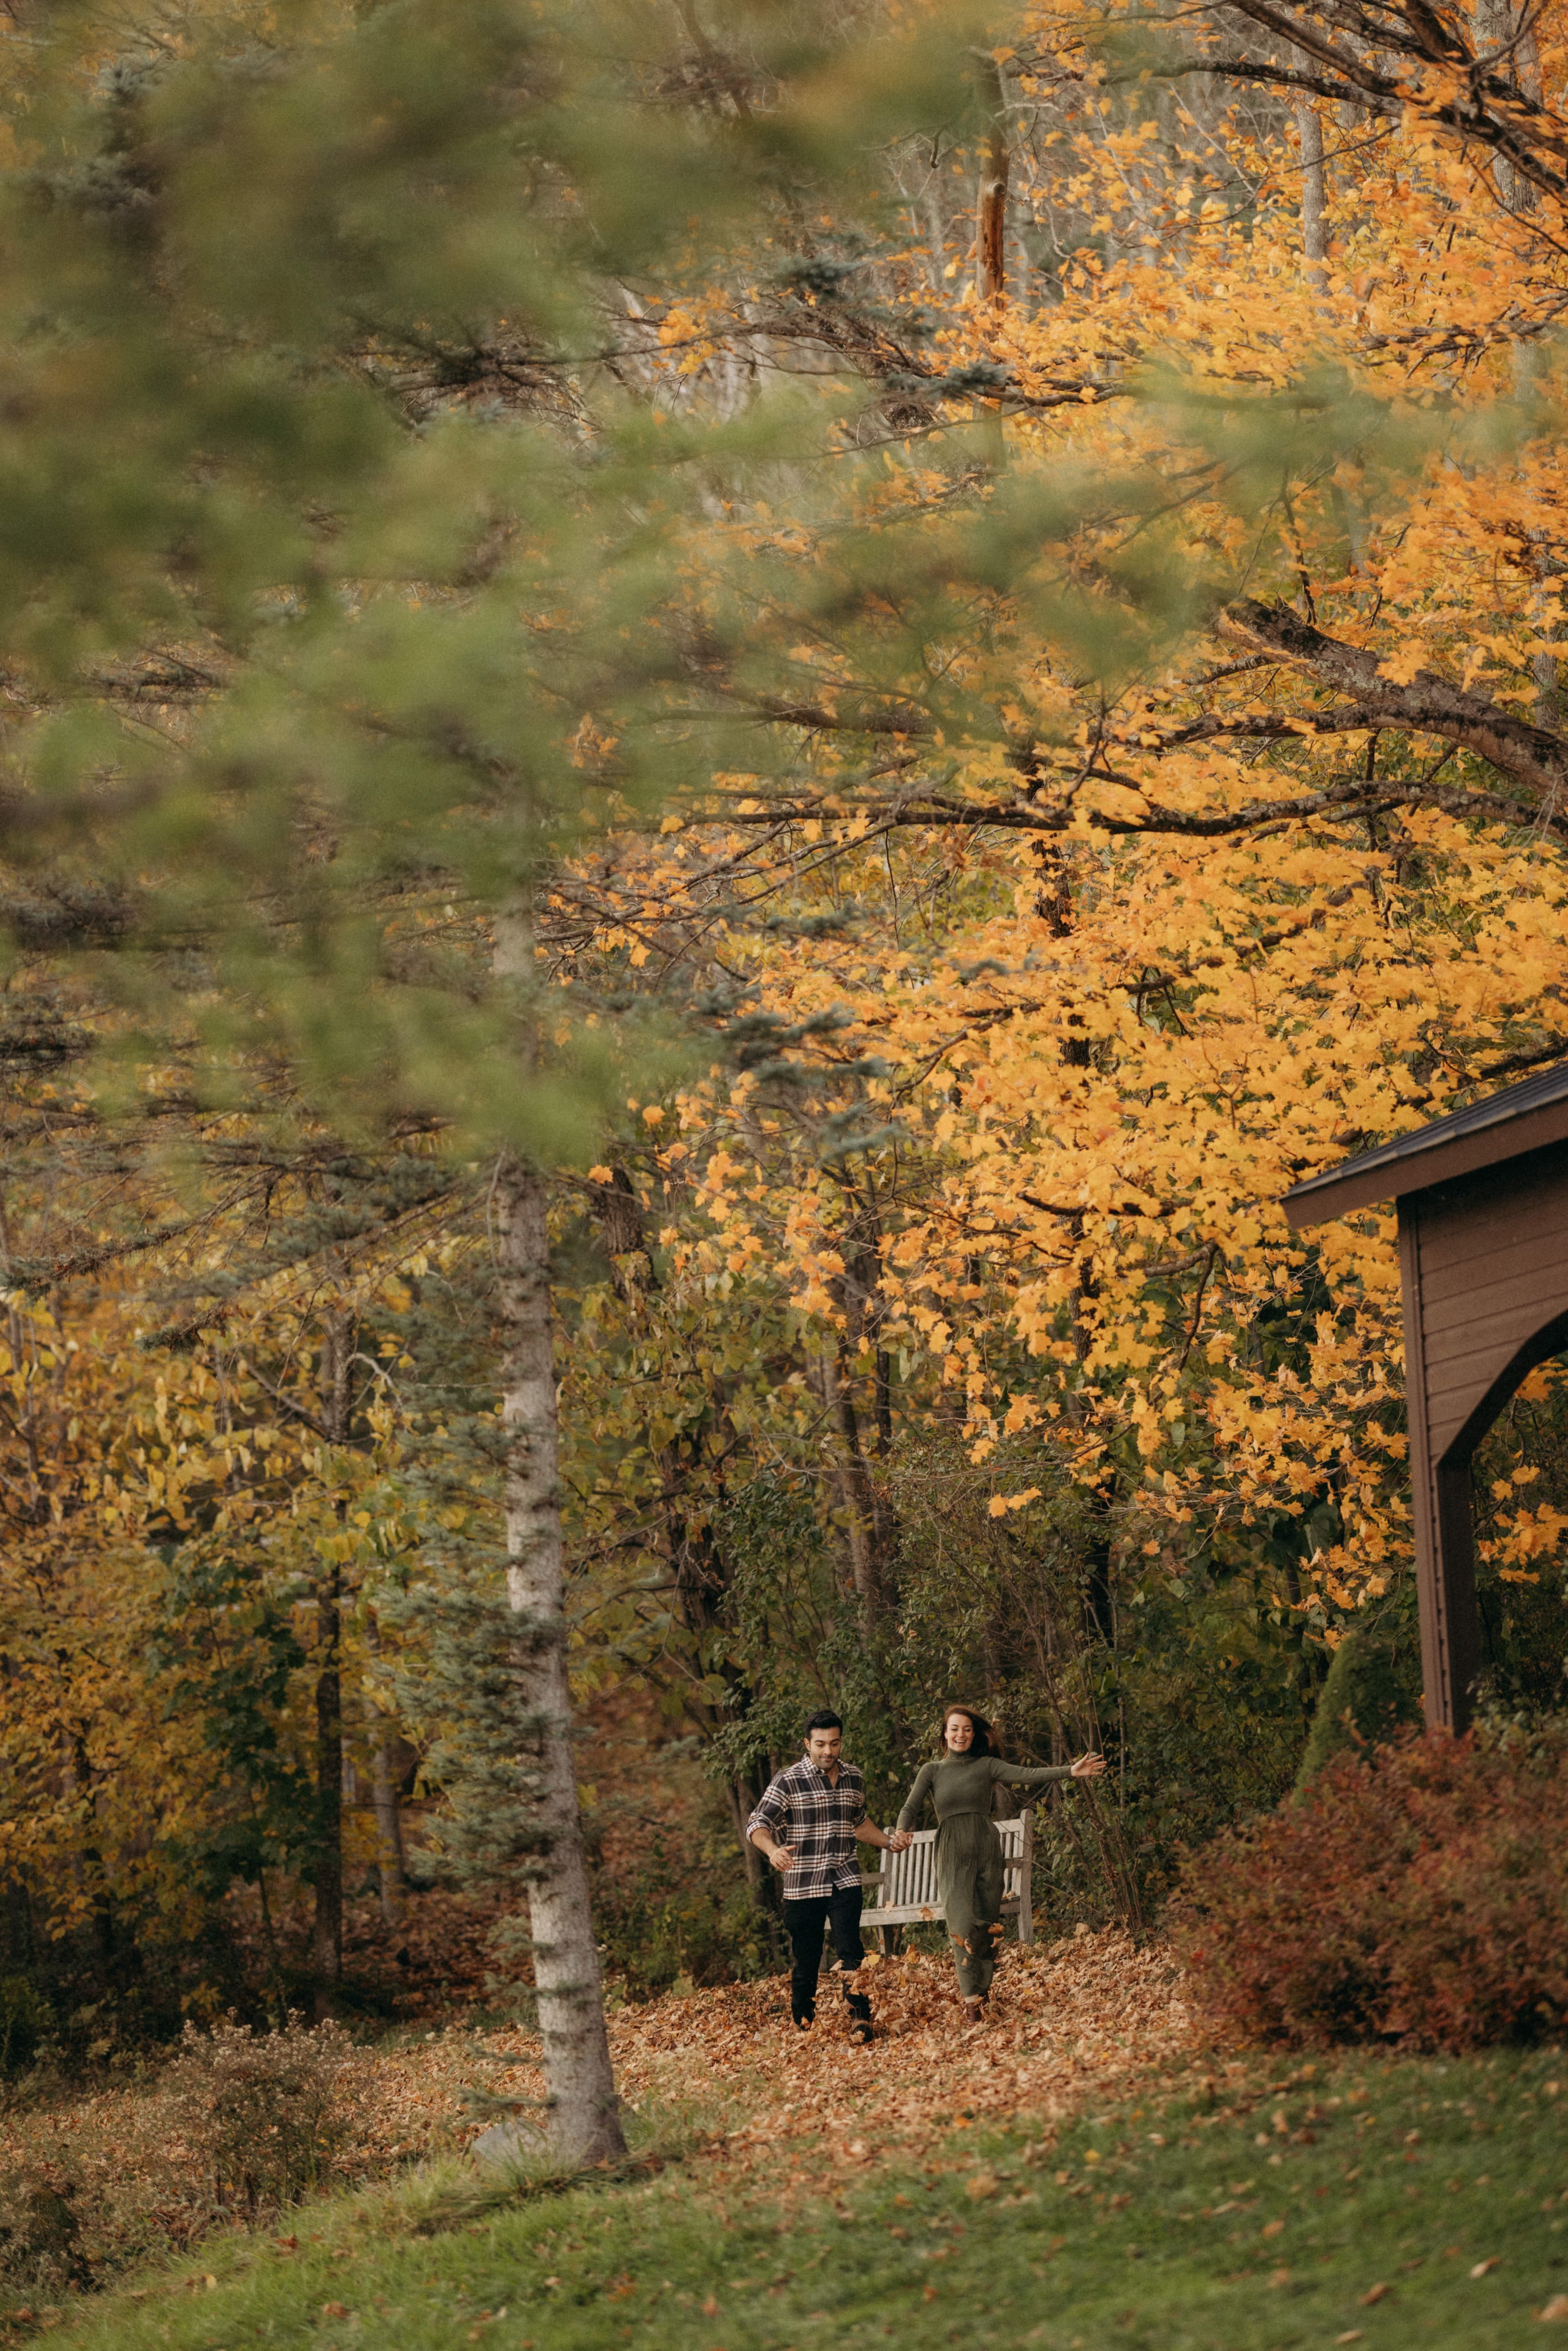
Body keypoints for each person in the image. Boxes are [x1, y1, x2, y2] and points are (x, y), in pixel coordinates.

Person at [897, 1703, 1106, 2023]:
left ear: (974, 1734)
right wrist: (901, 1830)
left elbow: (1027, 1775)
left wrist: (1070, 1771)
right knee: (961, 1926)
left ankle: (981, 1995)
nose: (961, 1734)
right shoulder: (932, 1770)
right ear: (945, 1734)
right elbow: (910, 1807)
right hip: (952, 1851)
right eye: (955, 1729)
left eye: (967, 1729)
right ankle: (972, 2004)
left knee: (986, 1924)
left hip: (986, 1848)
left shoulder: (987, 1765)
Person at [747, 1709, 913, 2043]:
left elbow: (859, 1823)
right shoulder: (788, 1780)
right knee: (807, 1958)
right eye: (821, 1744)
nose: (828, 1751)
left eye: (834, 1743)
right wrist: (772, 1850)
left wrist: (888, 1842)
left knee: (851, 1950)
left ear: (841, 1742)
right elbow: (757, 1823)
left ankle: (860, 2018)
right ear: (807, 1743)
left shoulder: (854, 1777)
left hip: (844, 1877)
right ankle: (804, 2022)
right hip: (803, 1884)